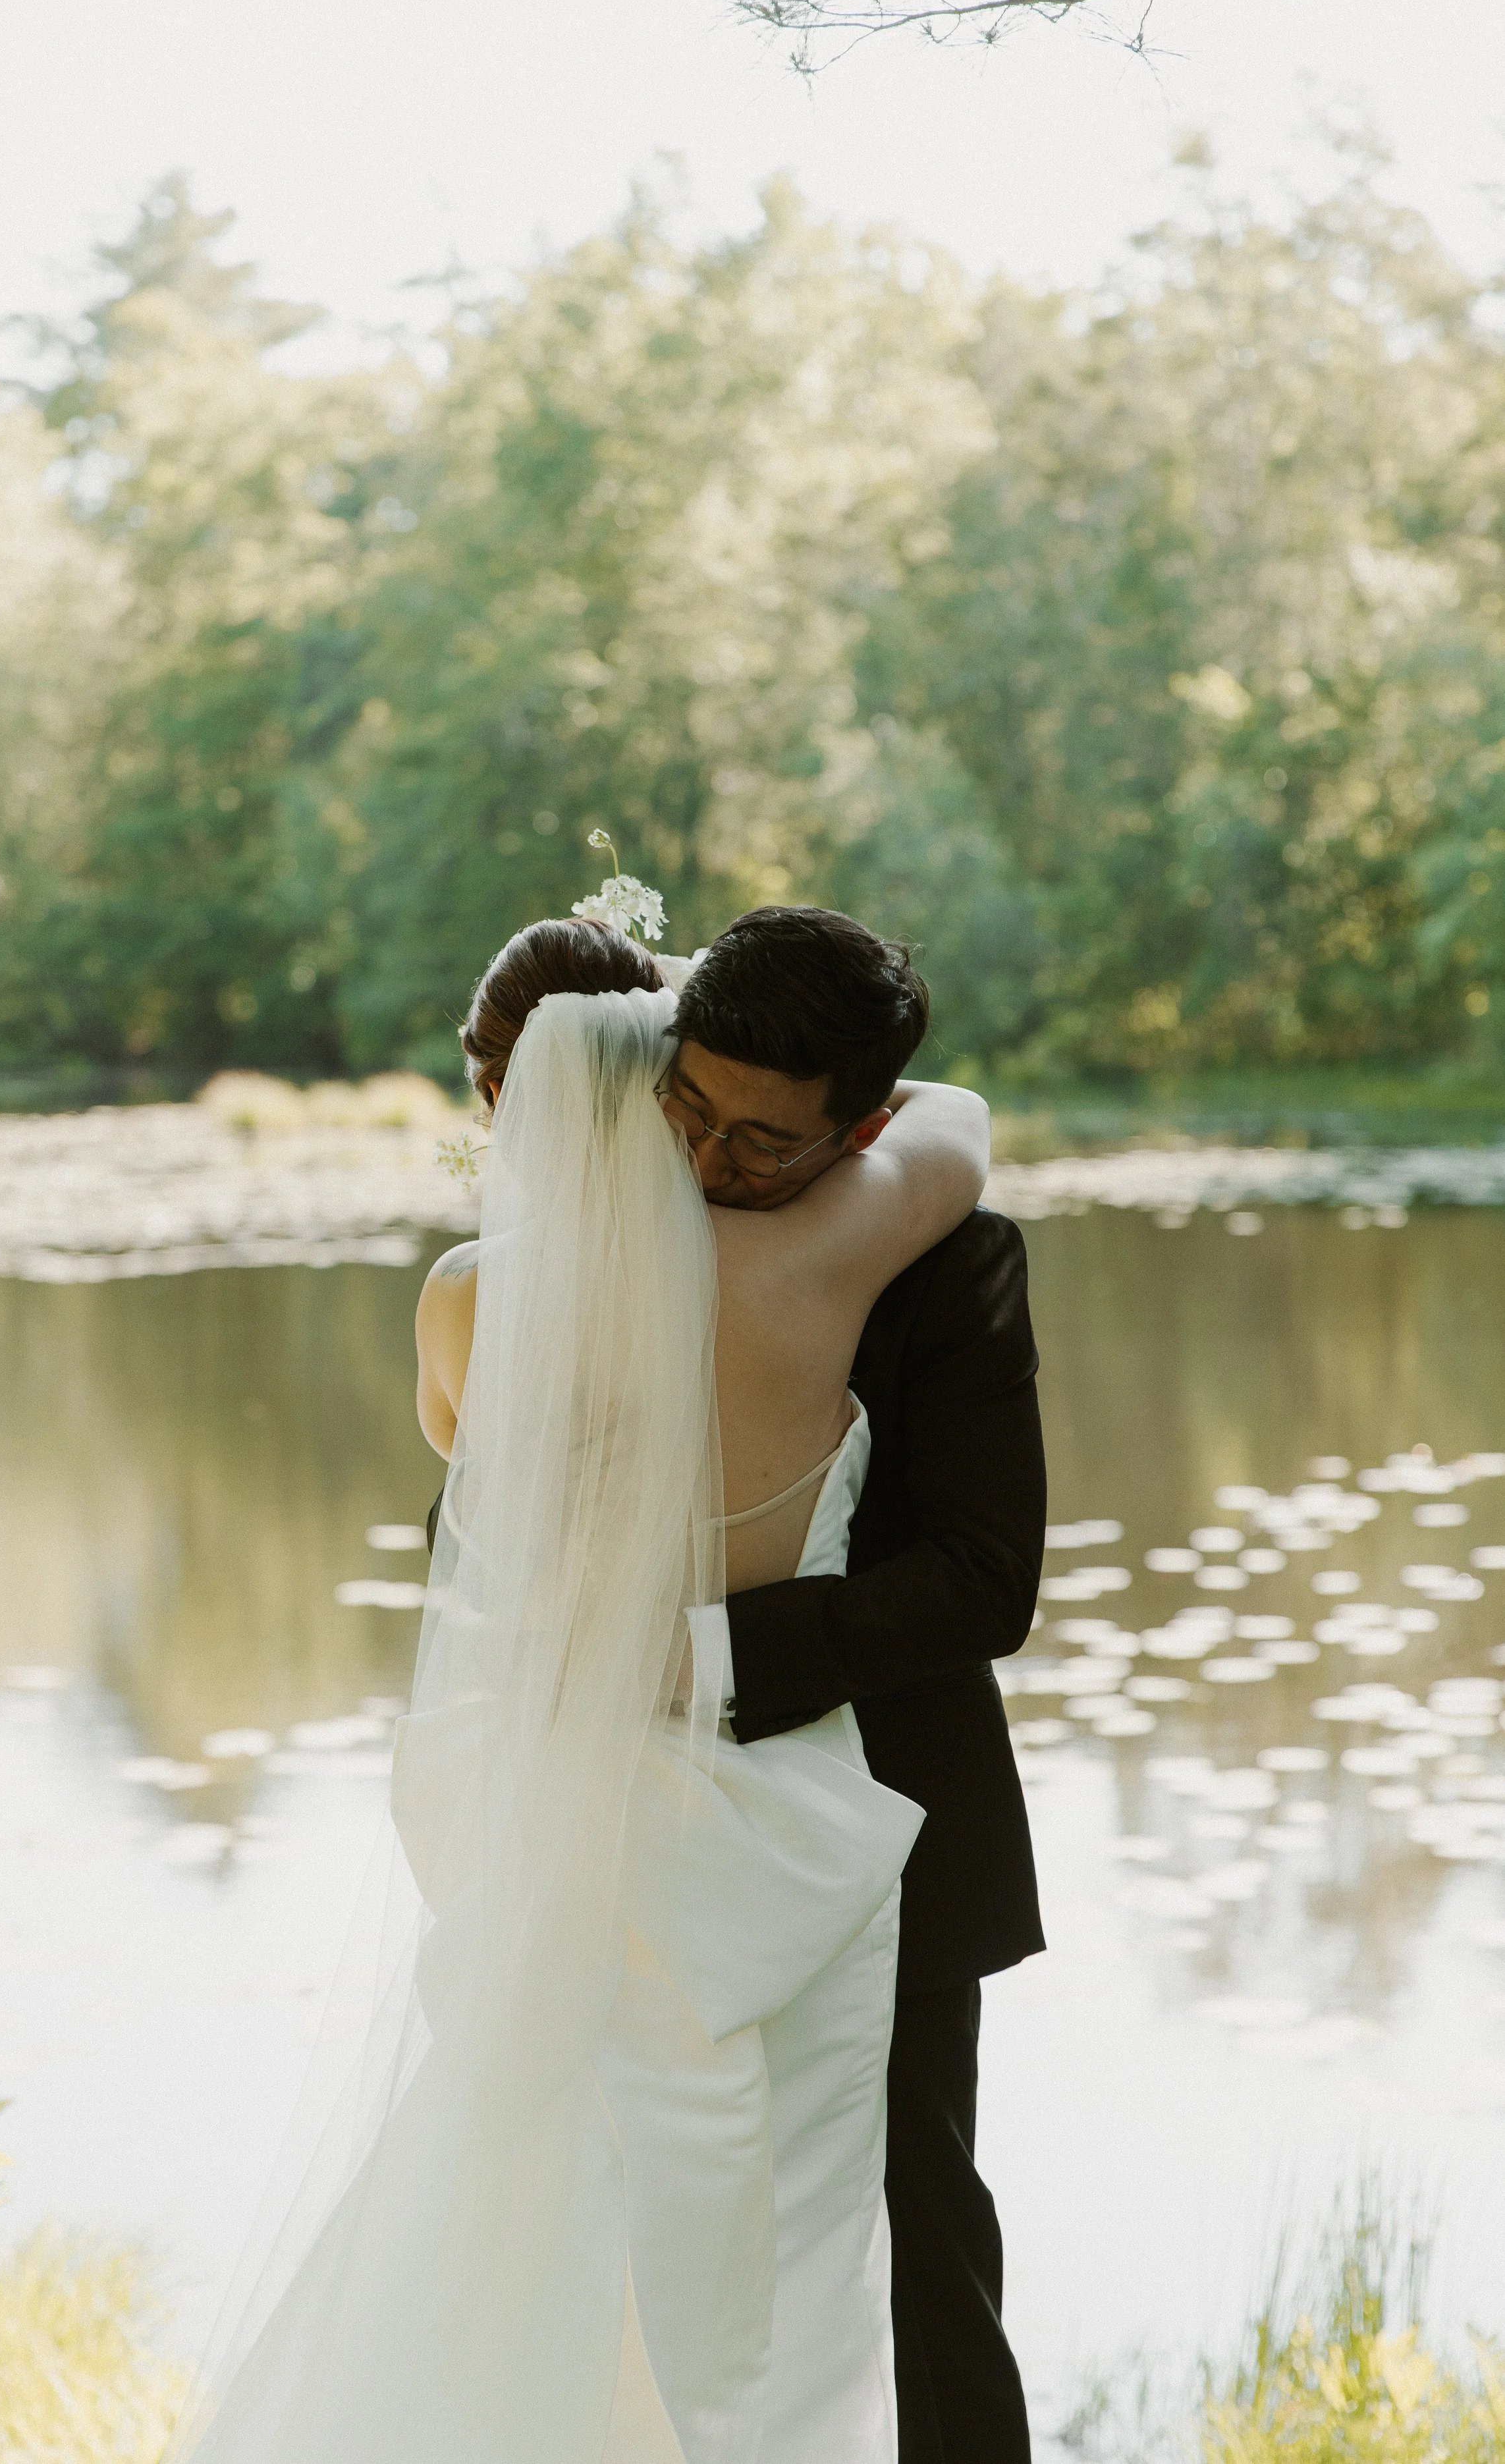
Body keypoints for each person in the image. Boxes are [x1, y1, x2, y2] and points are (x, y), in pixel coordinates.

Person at [173, 912, 992, 2464]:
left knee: (524, 2193)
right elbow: (957, 1130)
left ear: (521, 1099)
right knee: (772, 2248)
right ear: (664, 1066)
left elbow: (485, 1504)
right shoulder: (829, 1253)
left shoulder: (475, 1302)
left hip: (565, 1815)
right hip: (778, 1836)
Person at [670, 906, 1047, 2464]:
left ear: (867, 1125)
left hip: (890, 1823)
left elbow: (983, 1577)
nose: (710, 1165)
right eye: (687, 1110)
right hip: (640, 1833)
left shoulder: (953, 1263)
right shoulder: (610, 1217)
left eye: (765, 1146)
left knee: (918, 2244)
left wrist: (698, 1661)